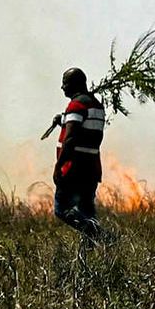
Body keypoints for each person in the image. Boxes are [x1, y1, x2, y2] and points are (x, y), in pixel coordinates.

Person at [51, 67, 105, 239]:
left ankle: (103, 238)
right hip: (91, 168)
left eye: (65, 83)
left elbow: (71, 139)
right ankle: (94, 256)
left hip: (75, 169)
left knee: (62, 209)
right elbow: (85, 132)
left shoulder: (76, 105)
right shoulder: (96, 105)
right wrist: (64, 120)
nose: (62, 87)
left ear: (74, 85)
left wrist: (59, 166)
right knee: (87, 213)